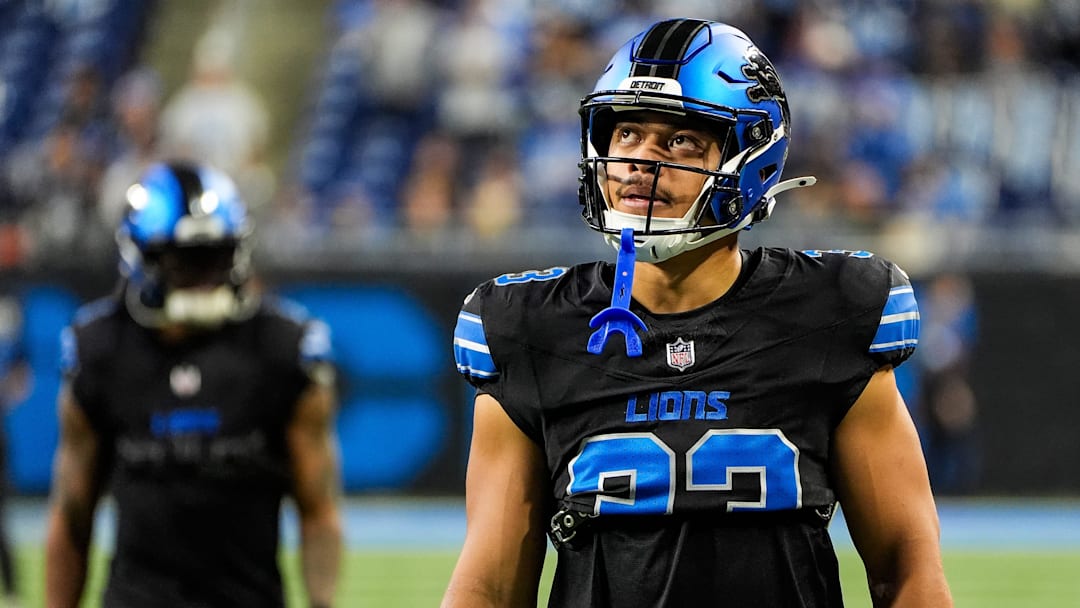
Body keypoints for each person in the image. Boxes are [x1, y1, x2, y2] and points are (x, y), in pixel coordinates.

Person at [444, 19, 952, 607]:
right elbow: (488, 589)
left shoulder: (833, 314)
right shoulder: (528, 330)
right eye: (627, 132)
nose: (639, 162)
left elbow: (908, 567)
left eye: (679, 141)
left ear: (751, 158)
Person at [44, 162, 343, 607]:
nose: (206, 277)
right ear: (142, 259)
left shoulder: (282, 348)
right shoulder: (101, 350)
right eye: (186, 260)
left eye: (217, 257)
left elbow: (318, 511)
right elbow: (72, 515)